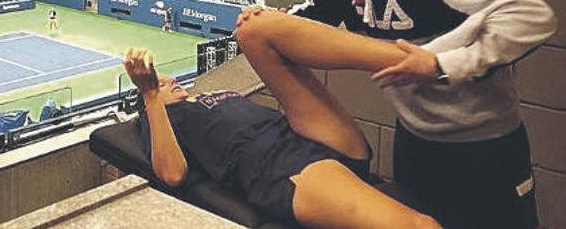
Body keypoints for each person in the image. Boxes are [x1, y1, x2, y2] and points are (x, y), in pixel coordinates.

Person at [237, 0, 557, 229]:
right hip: (415, 142)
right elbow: (310, 17)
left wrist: (441, 64)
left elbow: (531, 16)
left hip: (484, 147)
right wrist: (269, 22)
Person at [124, 48, 441, 229]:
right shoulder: (163, 119)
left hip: (305, 140)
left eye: (164, 80)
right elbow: (172, 173)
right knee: (418, 225)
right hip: (281, 167)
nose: (173, 81)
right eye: (162, 84)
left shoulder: (208, 96)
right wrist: (151, 95)